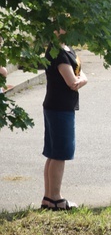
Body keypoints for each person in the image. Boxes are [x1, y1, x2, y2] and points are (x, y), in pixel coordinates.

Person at [40, 29, 88, 211]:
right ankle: (55, 198)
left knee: (54, 153)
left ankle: (49, 197)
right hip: (59, 107)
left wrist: (82, 78)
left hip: (60, 106)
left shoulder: (66, 49)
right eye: (60, 25)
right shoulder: (57, 52)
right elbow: (72, 82)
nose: (66, 28)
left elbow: (80, 75)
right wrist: (83, 80)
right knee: (59, 153)